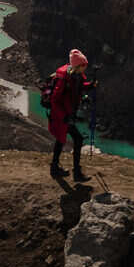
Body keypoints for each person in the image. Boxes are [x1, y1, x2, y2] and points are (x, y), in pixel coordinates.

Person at [46, 49, 93, 181]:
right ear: (78, 66)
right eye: (84, 65)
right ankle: (76, 173)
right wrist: (64, 116)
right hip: (62, 116)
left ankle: (55, 168)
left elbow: (79, 88)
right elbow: (55, 100)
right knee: (75, 139)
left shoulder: (76, 76)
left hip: (67, 115)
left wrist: (90, 86)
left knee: (61, 140)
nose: (86, 67)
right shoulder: (64, 79)